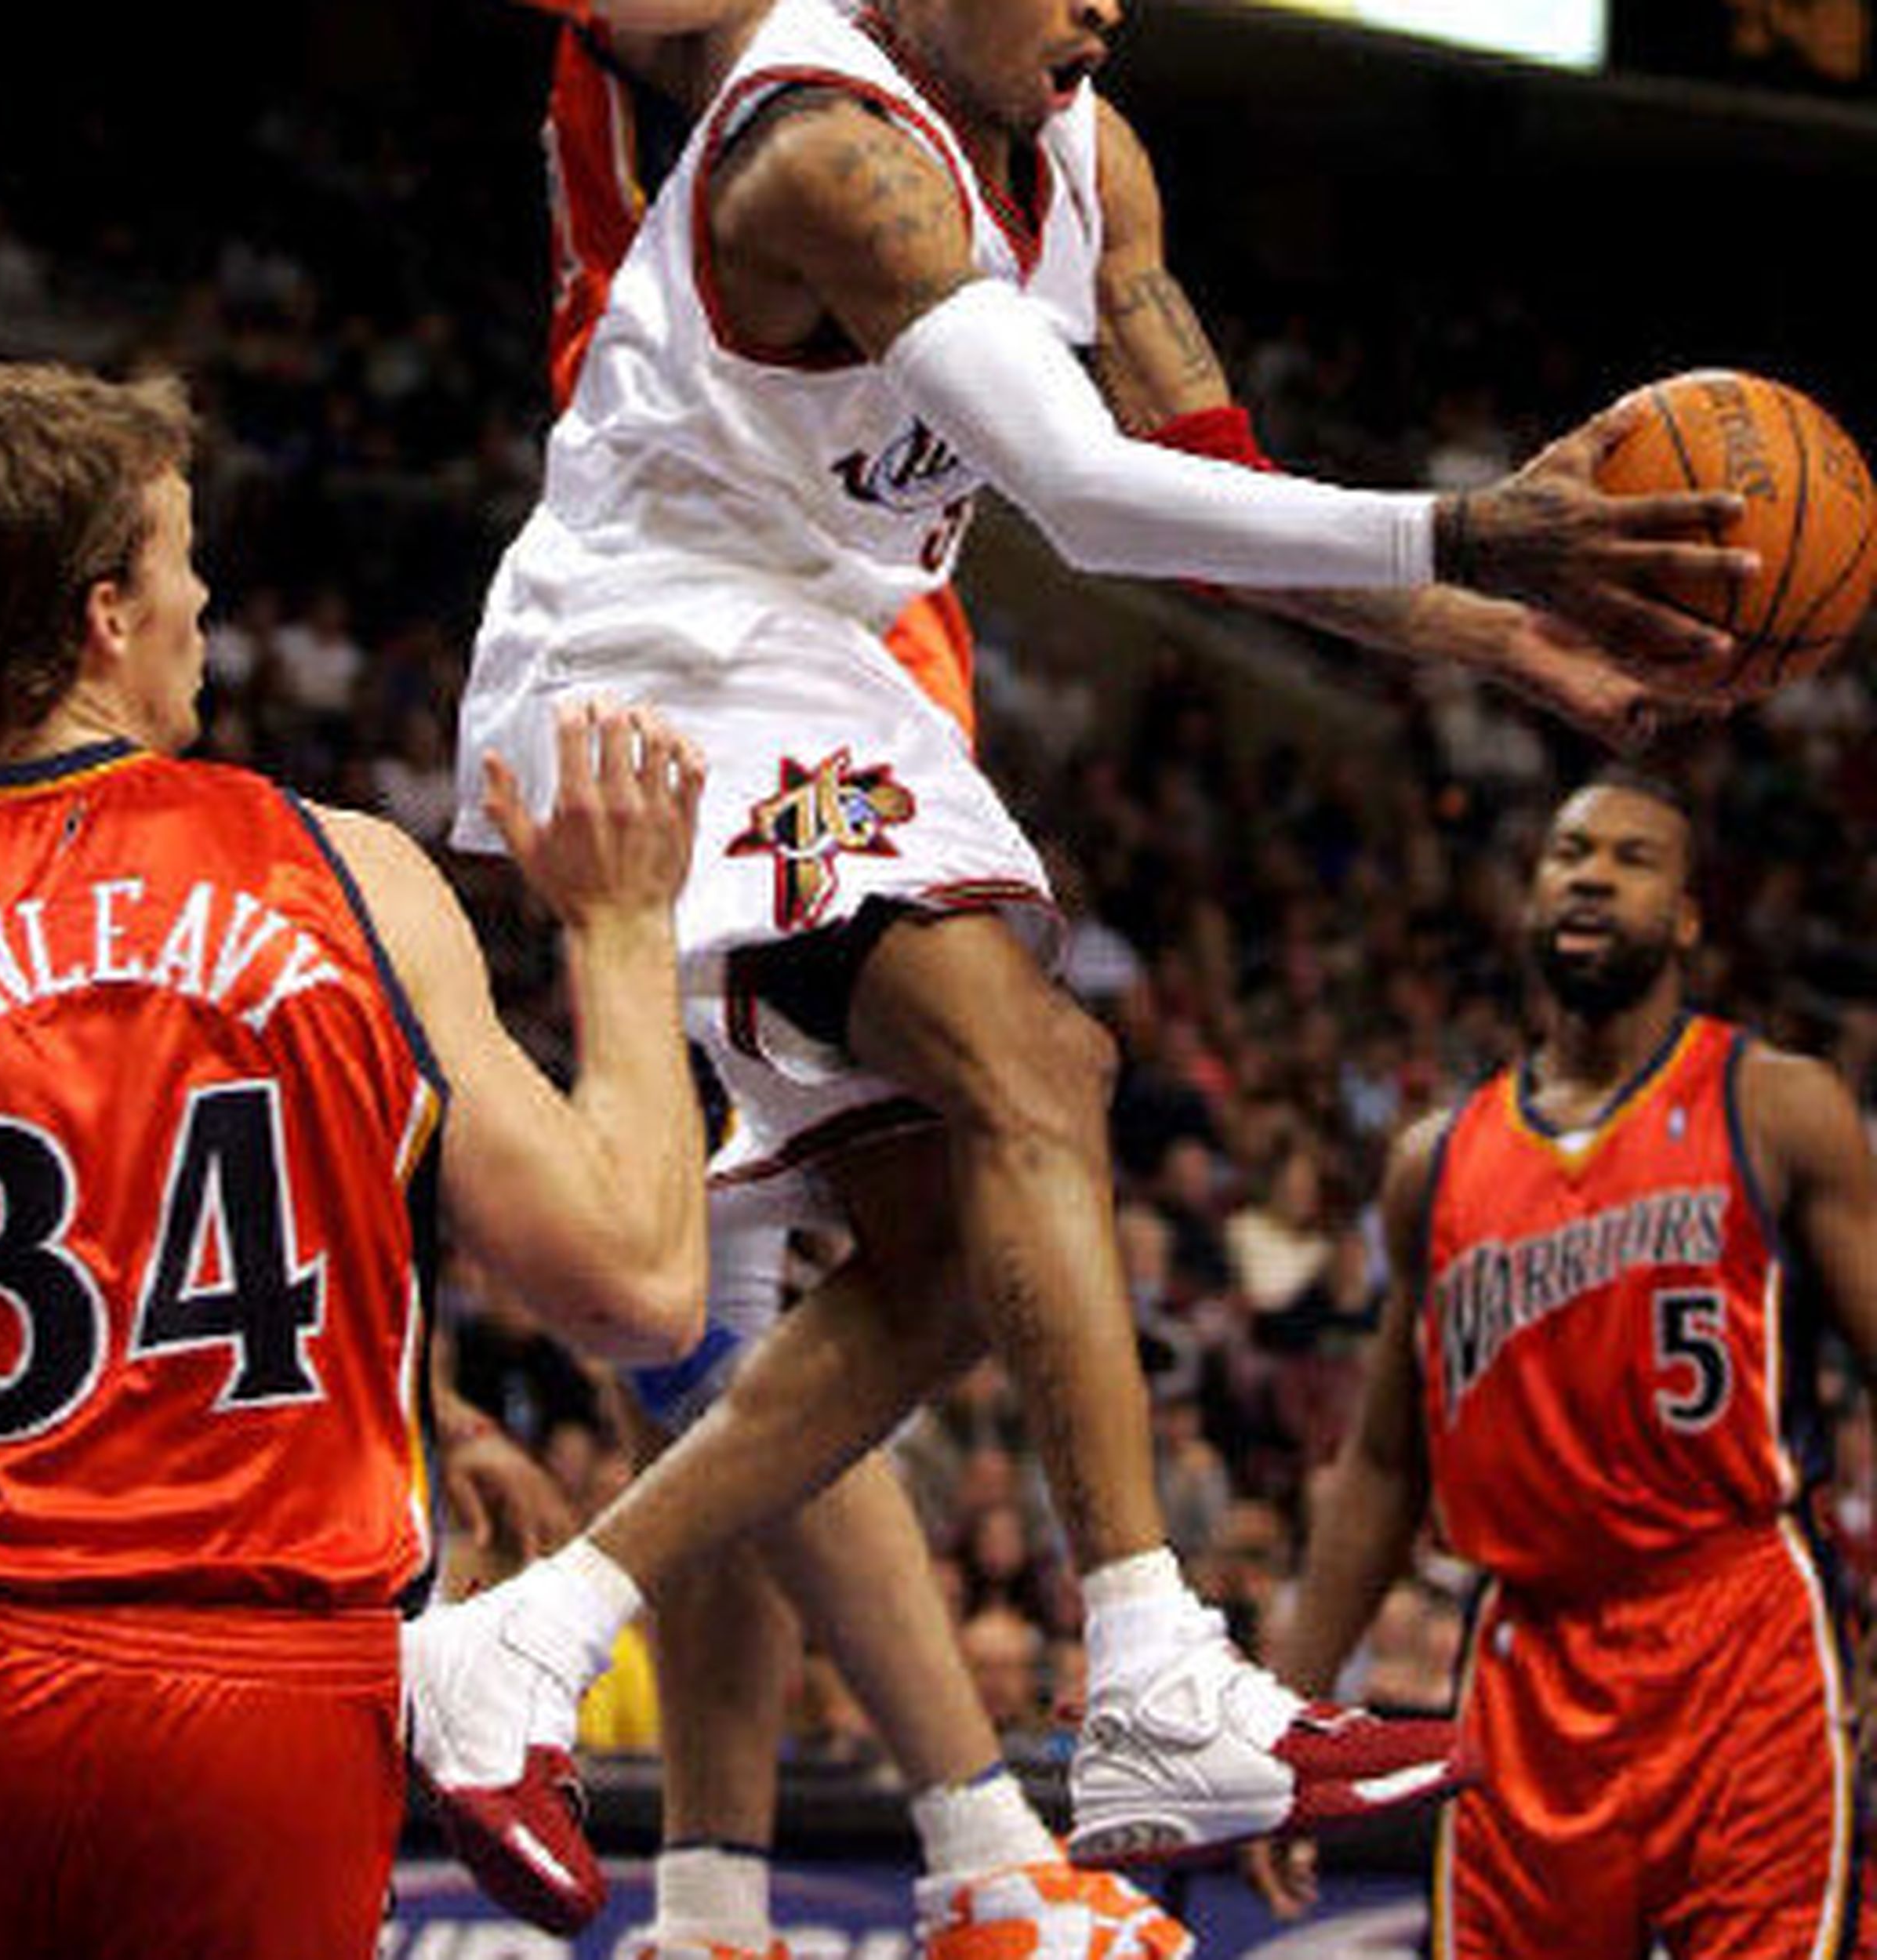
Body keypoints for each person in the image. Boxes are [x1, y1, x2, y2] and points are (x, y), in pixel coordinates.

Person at [409, 0, 1759, 1913]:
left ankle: (524, 1640)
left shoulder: (1093, 158)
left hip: (824, 662)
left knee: (960, 1251)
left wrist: (1486, 631)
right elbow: (1083, 494)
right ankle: (1138, 1665)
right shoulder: (829, 147)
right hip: (652, 654)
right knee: (1038, 1072)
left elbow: (1202, 477)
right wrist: (1478, 527)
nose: (1103, 9)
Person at [520, 8, 1197, 1953]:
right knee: (717, 1305)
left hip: (793, 622)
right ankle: (847, 1869)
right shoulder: (743, 84)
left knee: (726, 1304)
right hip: (710, 603)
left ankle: (853, 1867)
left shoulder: (857, 100)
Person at [0, 361, 710, 1959]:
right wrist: (621, 932)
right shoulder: (346, 872)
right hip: (263, 1683)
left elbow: (73, 1199)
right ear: (105, 617)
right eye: (182, 557)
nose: (207, 597)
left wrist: (425, 1400)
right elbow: (636, 1281)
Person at [1261, 768, 1877, 1954]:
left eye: (1633, 858)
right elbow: (1386, 1465)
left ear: (1690, 916)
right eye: (1568, 852)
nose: (1592, 873)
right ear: (1530, 894)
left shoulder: (1779, 1106)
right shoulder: (1435, 1162)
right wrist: (1287, 1732)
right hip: (1529, 1658)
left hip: (1738, 1632)